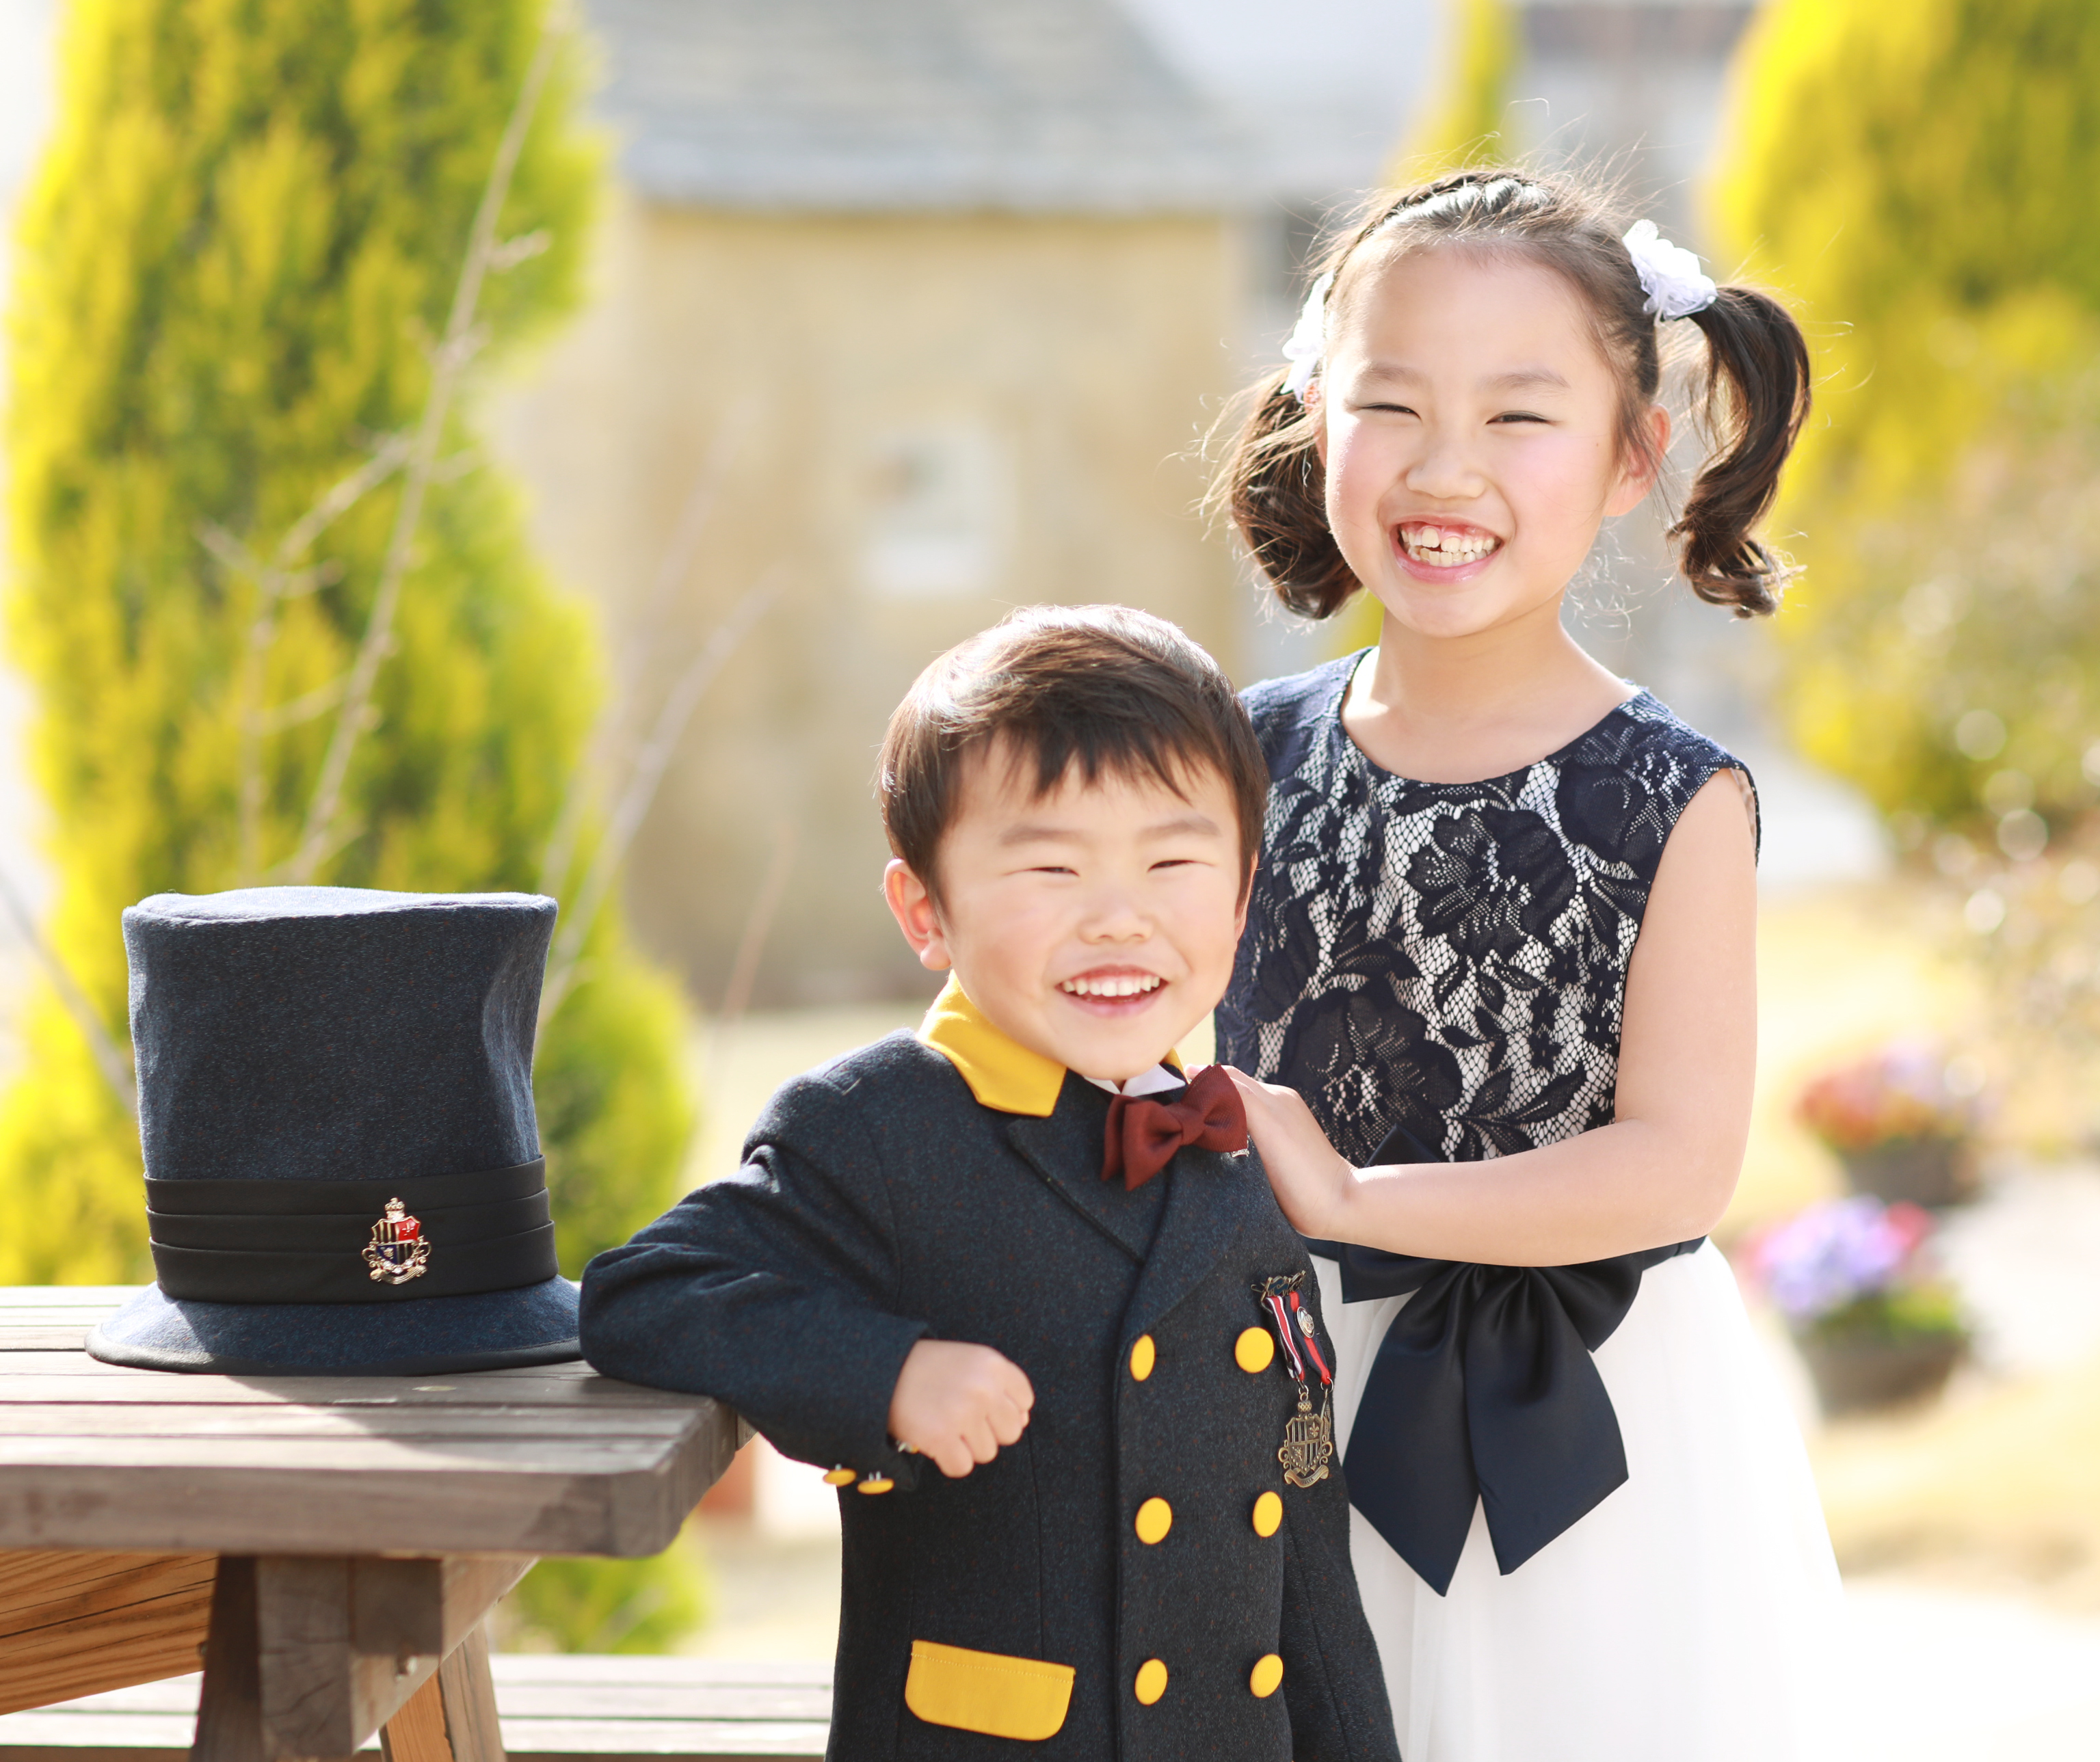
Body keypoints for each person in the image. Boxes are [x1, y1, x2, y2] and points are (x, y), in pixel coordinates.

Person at [1207, 170, 1842, 1761]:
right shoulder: (1229, 761)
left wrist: (1351, 1200)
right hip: (1264, 1393)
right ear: (1313, 414)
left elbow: (1676, 1163)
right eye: (1390, 405)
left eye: (1516, 416)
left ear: (1632, 455)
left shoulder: (1670, 796)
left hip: (1584, 1443)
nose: (1444, 467)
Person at [580, 606, 1401, 1762]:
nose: (1118, 917)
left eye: (1172, 860)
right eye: (1051, 867)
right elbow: (644, 1292)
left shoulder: (1232, 1143)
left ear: (1240, 893)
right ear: (927, 910)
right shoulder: (880, 1126)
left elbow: (1307, 1557)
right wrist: (887, 1373)